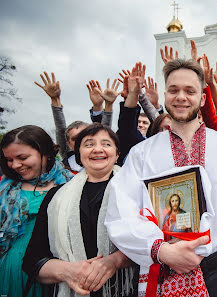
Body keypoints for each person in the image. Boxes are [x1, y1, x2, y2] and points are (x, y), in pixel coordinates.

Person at [105, 58, 217, 297]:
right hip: (163, 266)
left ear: (202, 98)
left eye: (189, 91)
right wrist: (161, 251)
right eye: (173, 90)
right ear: (165, 95)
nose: (181, 97)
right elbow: (121, 211)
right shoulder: (142, 153)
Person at [22, 123, 135, 297]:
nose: (97, 149)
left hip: (126, 289)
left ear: (117, 154)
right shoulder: (56, 197)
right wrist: (68, 271)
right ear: (79, 155)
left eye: (106, 144)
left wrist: (114, 261)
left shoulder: (136, 191)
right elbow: (33, 261)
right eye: (89, 144)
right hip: (73, 290)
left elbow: (152, 245)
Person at [0, 125, 73, 297]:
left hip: (57, 270)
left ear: (46, 153)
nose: (15, 165)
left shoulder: (71, 184)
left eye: (22, 157)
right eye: (9, 159)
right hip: (13, 270)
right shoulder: (5, 189)